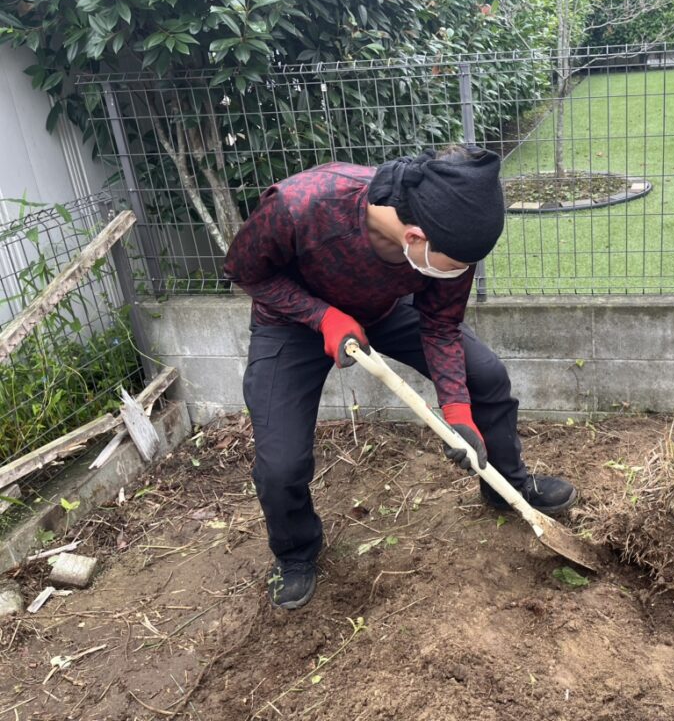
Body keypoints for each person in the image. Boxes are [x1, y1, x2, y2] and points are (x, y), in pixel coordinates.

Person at [223, 145, 578, 610]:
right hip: (291, 324)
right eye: (458, 264)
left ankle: (504, 484)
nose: (464, 273)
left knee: (486, 376)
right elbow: (244, 271)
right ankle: (294, 552)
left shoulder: (450, 236)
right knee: (281, 465)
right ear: (414, 237)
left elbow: (441, 325)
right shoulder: (301, 205)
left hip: (385, 310)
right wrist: (322, 316)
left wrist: (457, 409)